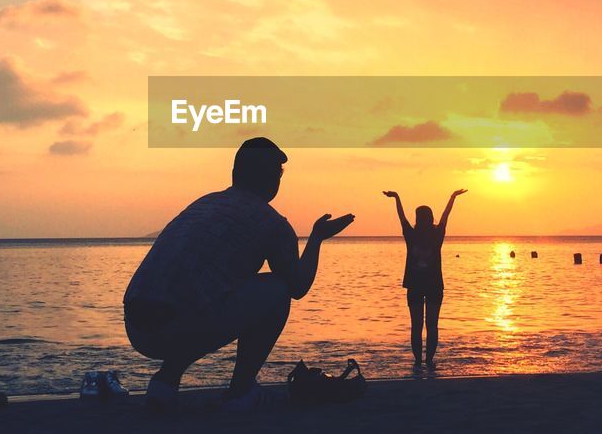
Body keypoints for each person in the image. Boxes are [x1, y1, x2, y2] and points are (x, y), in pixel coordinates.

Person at [123, 137, 354, 413]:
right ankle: (241, 391)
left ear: (235, 174)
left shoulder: (204, 204)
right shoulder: (271, 222)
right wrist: (317, 238)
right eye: (278, 173)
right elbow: (297, 286)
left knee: (203, 294)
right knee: (277, 289)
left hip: (137, 325)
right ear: (270, 179)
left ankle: (165, 382)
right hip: (180, 327)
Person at [382, 189, 465, 369]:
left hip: (415, 285)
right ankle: (429, 361)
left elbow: (401, 217)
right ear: (431, 217)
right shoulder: (438, 233)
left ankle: (418, 362)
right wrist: (452, 198)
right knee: (432, 325)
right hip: (434, 284)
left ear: (418, 218)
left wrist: (397, 197)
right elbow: (445, 215)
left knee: (416, 325)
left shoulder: (410, 234)